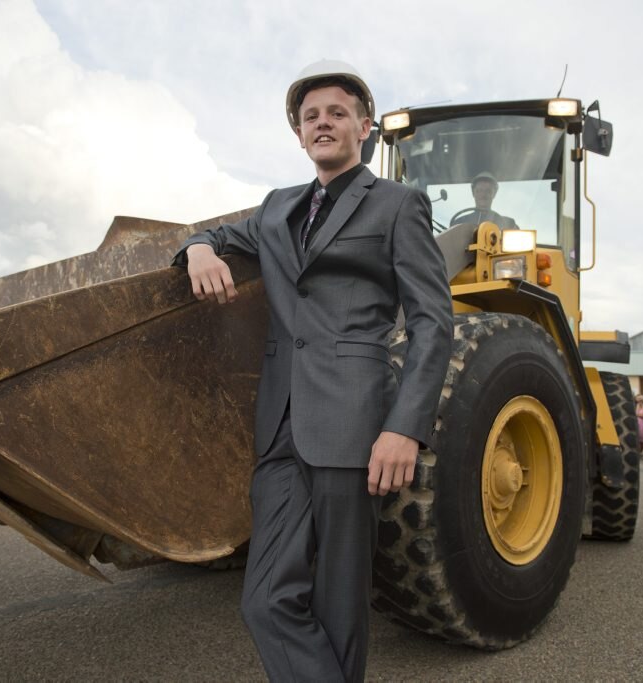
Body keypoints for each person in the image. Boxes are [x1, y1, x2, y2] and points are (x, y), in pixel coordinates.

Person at [172, 60, 453, 682]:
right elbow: (215, 234)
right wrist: (197, 250)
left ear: (364, 128)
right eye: (310, 117)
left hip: (356, 424)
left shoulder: (399, 205)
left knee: (339, 601)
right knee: (266, 597)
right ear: (299, 135)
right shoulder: (276, 209)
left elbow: (433, 320)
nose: (322, 123)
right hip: (278, 425)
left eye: (336, 113)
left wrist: (405, 427)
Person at [449, 172, 518, 228]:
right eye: (479, 190)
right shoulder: (459, 223)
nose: (483, 195)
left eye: (488, 191)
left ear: (494, 194)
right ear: (473, 193)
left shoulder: (508, 224)